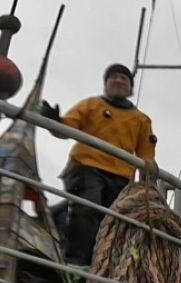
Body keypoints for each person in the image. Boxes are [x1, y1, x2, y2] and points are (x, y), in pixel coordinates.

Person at [41, 63, 157, 267]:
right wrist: (54, 120)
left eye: (124, 78)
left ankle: (100, 265)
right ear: (106, 84)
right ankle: (74, 261)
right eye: (114, 77)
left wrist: (147, 190)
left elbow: (147, 158)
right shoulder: (91, 105)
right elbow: (65, 128)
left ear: (130, 89)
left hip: (121, 176)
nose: (119, 80)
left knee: (113, 223)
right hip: (86, 166)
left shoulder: (140, 120)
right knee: (88, 206)